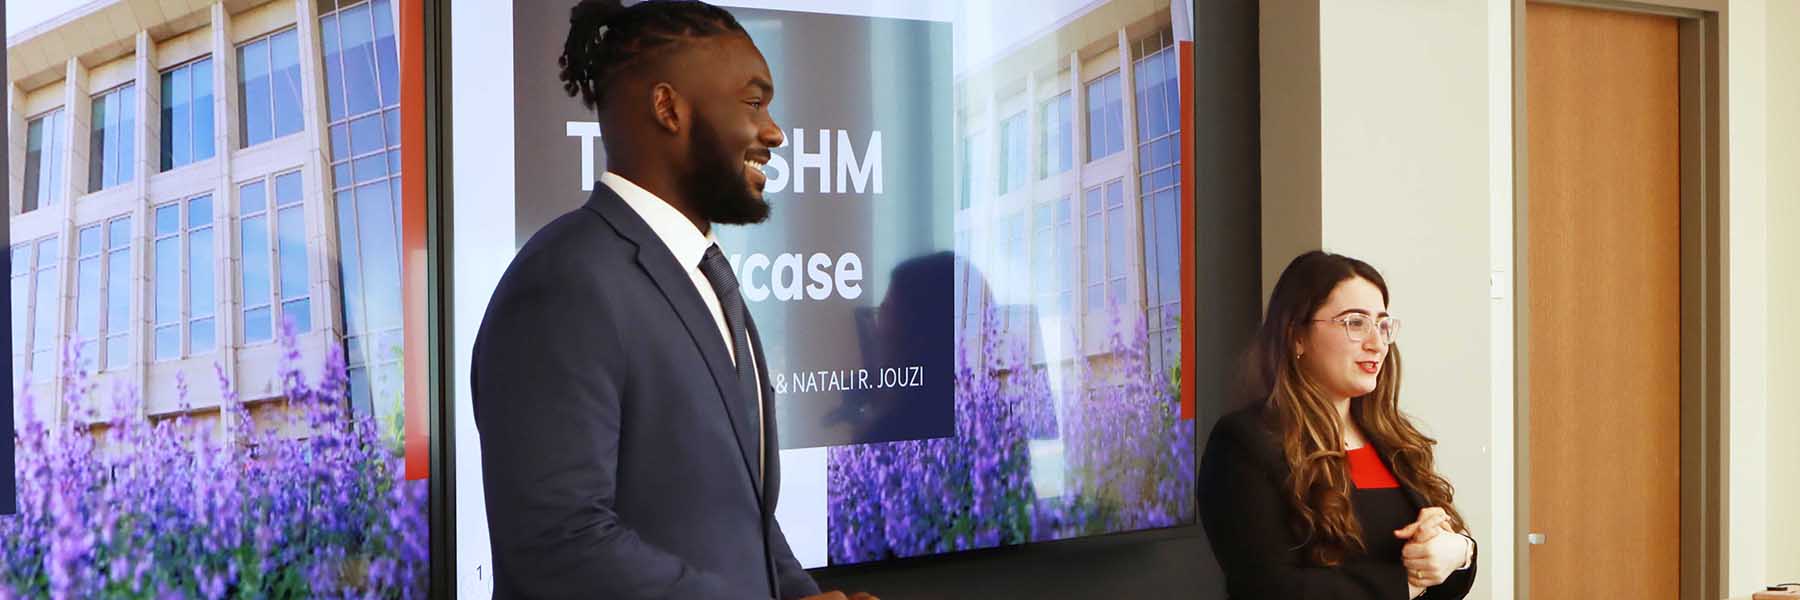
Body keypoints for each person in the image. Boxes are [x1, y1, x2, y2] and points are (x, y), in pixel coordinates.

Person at [471, 1, 872, 598]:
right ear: (668, 108)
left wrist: (801, 594)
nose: (775, 131)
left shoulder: (701, 273)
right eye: (753, 101)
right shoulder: (564, 284)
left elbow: (738, 511)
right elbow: (559, 547)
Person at [1199, 251, 1478, 599]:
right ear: (1296, 336)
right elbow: (1270, 589)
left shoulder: (1396, 440)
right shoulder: (1242, 442)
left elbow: (1445, 573)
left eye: (1382, 324)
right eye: (1355, 323)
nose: (1376, 344)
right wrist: (1408, 582)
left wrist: (1459, 552)